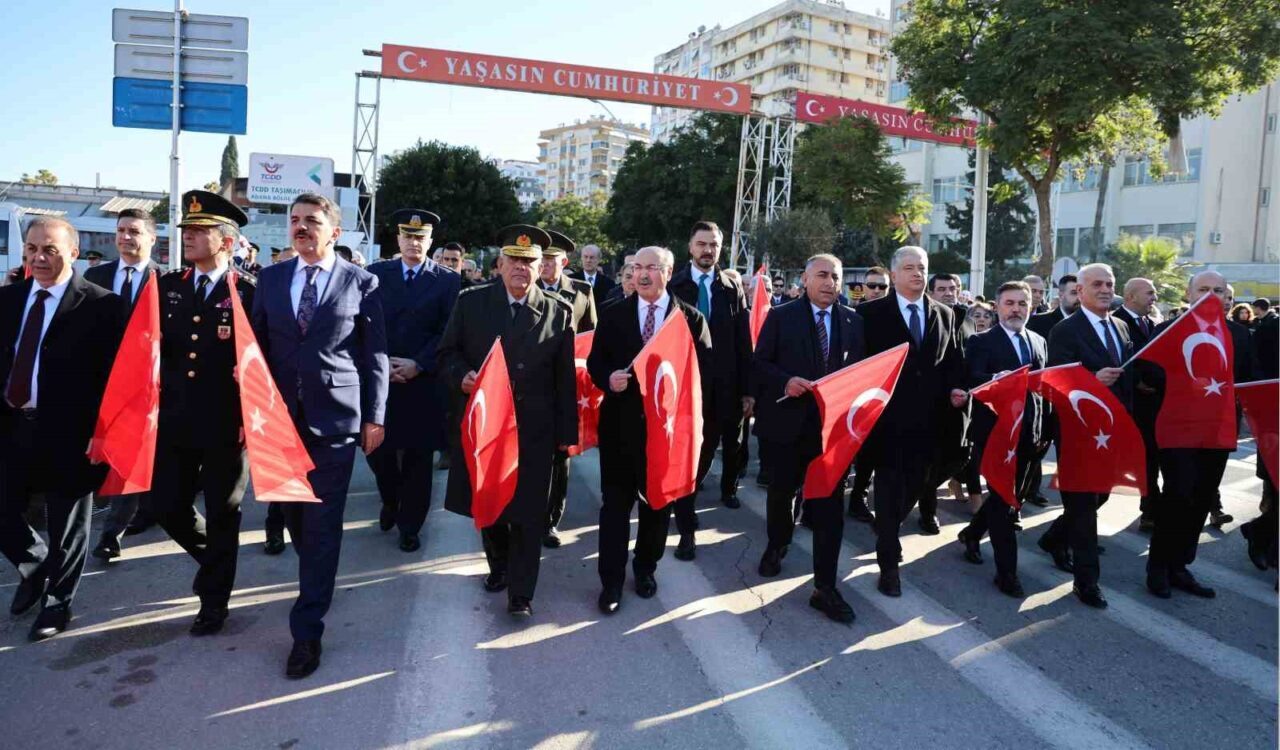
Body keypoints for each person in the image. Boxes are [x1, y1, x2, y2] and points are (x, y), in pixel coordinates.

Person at [250, 192, 389, 678]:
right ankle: (318, 574)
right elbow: (255, 351)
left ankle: (307, 631)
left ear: (335, 231)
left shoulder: (361, 282)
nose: (301, 227)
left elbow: (374, 355)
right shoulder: (271, 280)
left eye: (312, 220)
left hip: (335, 422)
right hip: (279, 422)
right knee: (295, 518)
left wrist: (375, 416)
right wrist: (249, 414)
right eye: (295, 220)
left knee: (323, 524)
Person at [439, 225, 577, 617]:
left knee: (530, 513)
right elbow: (446, 354)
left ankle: (521, 593)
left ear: (541, 266)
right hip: (488, 428)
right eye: (514, 260)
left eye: (529, 261)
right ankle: (498, 565)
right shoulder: (472, 303)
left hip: (534, 430)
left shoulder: (557, 311)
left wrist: (567, 434)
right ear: (499, 264)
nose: (521, 267)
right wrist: (461, 376)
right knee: (491, 506)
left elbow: (565, 379)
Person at [0, 217, 122, 640]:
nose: (39, 258)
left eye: (50, 249)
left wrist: (103, 432)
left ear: (73, 252)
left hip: (72, 433)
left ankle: (57, 602)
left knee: (67, 525)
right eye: (32, 249)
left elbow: (114, 379)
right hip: (12, 425)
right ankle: (34, 564)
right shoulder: (8, 299)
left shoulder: (103, 306)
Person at [148, 190, 255, 636]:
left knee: (223, 511)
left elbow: (263, 358)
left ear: (226, 241)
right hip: (175, 420)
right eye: (187, 230)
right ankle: (216, 561)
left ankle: (214, 601)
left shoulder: (248, 292)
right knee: (166, 505)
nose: (188, 236)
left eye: (198, 230)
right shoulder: (168, 286)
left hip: (226, 424)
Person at [587, 246, 710, 615]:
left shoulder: (690, 319)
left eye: (651, 268)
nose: (642, 274)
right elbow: (595, 362)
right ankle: (611, 581)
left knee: (657, 505)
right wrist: (608, 378)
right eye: (636, 267)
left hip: (666, 434)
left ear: (668, 272)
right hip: (620, 430)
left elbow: (703, 374)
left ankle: (645, 568)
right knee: (615, 507)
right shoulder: (613, 314)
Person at [752, 254, 864, 623]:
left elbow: (860, 374)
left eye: (836, 276)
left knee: (830, 509)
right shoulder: (781, 316)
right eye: (822, 275)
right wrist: (785, 381)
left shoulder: (854, 321)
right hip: (787, 427)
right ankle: (777, 543)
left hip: (833, 434)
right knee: (782, 494)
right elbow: (759, 364)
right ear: (805, 279)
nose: (830, 282)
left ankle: (825, 587)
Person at [856, 246, 967, 597]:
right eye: (909, 268)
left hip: (931, 424)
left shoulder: (946, 314)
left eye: (922, 267)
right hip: (886, 424)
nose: (917, 273)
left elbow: (953, 361)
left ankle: (887, 527)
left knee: (917, 486)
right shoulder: (869, 314)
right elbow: (859, 366)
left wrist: (957, 389)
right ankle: (888, 564)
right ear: (893, 275)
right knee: (889, 492)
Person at [1145, 271, 1250, 599]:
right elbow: (1147, 373)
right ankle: (1158, 567)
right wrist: (1189, 385)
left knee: (1202, 498)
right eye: (1203, 289)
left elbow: (1250, 377)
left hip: (1218, 430)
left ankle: (1180, 565)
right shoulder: (1167, 331)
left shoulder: (1238, 334)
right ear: (1189, 294)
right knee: (1178, 496)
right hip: (1178, 429)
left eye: (1217, 290)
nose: (1210, 295)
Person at [1037, 263, 1132, 609]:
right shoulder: (1065, 330)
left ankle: (1054, 537)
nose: (1105, 290)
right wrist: (1092, 378)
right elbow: (1056, 380)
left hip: (1112, 429)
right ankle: (1086, 582)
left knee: (1100, 495)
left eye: (1110, 283)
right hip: (1078, 430)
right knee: (1082, 506)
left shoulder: (1121, 326)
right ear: (1080, 291)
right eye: (1097, 284)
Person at [366, 209, 460, 553]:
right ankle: (391, 500)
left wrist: (418, 364)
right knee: (379, 455)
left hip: (423, 383)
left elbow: (448, 331)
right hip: (382, 381)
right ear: (398, 239)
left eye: (421, 237)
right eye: (408, 236)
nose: (414, 243)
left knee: (419, 461)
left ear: (430, 242)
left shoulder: (447, 281)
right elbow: (366, 324)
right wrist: (382, 364)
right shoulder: (376, 274)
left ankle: (410, 526)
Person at [666, 221, 753, 560]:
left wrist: (748, 389)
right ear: (690, 246)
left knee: (718, 447)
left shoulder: (730, 287)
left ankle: (710, 494)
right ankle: (685, 513)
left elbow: (743, 341)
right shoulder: (674, 285)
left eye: (714, 244)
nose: (708, 250)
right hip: (684, 388)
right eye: (702, 244)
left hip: (724, 388)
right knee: (689, 451)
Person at [956, 281, 1047, 598]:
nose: (1016, 309)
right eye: (1009, 303)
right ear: (997, 307)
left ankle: (972, 533)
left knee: (1006, 498)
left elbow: (1042, 389)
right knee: (1005, 502)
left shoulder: (1038, 340)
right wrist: (994, 380)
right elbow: (972, 378)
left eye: (1022, 303)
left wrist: (1044, 430)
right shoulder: (981, 341)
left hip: (1030, 433)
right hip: (996, 435)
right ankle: (1007, 573)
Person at [86, 208, 163, 559]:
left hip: (141, 386)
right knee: (97, 454)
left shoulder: (165, 280)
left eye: (134, 231)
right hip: (99, 382)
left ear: (151, 238)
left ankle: (110, 534)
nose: (125, 237)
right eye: (121, 231)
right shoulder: (96, 275)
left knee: (130, 456)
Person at [537, 229, 597, 548]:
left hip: (567, 387)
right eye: (542, 258)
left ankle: (550, 521)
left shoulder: (582, 291)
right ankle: (529, 516)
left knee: (561, 458)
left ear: (564, 262)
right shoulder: (526, 288)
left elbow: (590, 339)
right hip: (533, 384)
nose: (545, 264)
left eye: (551, 259)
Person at [1113, 277, 1162, 532]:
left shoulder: (1153, 324)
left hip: (1155, 404)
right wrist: (1136, 382)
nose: (1155, 298)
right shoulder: (1114, 323)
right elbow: (1117, 359)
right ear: (1131, 296)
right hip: (1130, 404)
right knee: (1143, 459)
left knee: (1153, 457)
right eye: (1149, 293)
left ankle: (1151, 508)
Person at [1027, 274, 1079, 338]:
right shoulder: (1038, 322)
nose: (1079, 297)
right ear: (1061, 295)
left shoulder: (1087, 323)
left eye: (1081, 292)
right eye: (1074, 293)